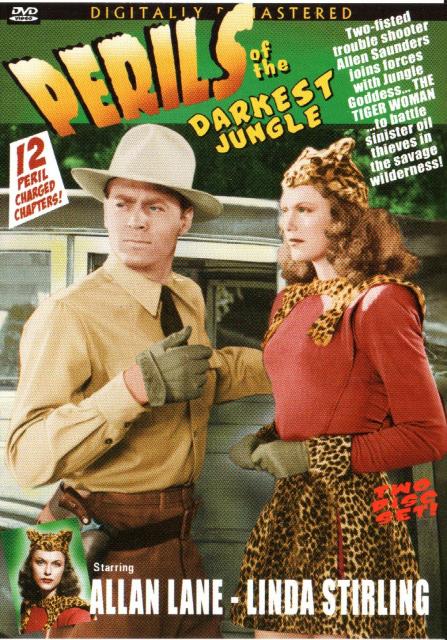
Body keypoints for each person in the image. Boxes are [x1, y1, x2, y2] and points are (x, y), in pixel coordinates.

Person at [7, 124, 271, 638]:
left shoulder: (186, 295)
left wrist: (302, 362)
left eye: (154, 206)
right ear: (105, 208)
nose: (134, 220)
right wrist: (130, 390)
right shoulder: (67, 314)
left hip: (177, 541)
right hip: (95, 543)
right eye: (122, 203)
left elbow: (204, 373)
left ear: (184, 219)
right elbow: (26, 459)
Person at [229, 138, 447, 638]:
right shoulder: (289, 302)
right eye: (284, 210)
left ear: (343, 220)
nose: (288, 223)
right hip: (289, 510)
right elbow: (316, 401)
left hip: (353, 515)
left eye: (305, 210)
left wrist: (311, 455)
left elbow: (428, 434)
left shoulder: (381, 301)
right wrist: (267, 437)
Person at [19, 529, 90, 634]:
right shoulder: (27, 606)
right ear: (30, 565)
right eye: (40, 562)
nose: (48, 571)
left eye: (56, 564)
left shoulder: (76, 612)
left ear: (65, 568)